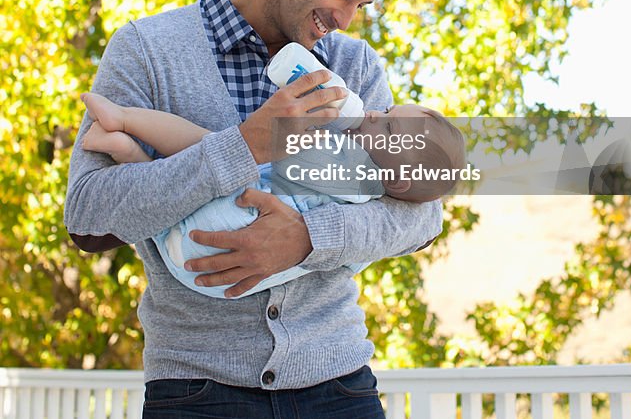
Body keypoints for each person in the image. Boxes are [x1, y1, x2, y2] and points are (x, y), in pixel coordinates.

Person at [64, 0, 443, 419]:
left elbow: (420, 217)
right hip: (196, 404)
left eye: (361, 4)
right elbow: (88, 214)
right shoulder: (149, 50)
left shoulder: (354, 68)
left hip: (337, 390)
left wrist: (306, 238)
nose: (344, 19)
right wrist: (243, 146)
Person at [79, 89, 465, 298]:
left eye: (388, 127)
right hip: (203, 271)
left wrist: (307, 126)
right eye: (385, 111)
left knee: (212, 148)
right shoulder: (374, 189)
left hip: (224, 233)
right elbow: (85, 217)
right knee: (214, 156)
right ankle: (127, 150)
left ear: (396, 183)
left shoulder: (353, 165)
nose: (374, 114)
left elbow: (429, 220)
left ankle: (125, 121)